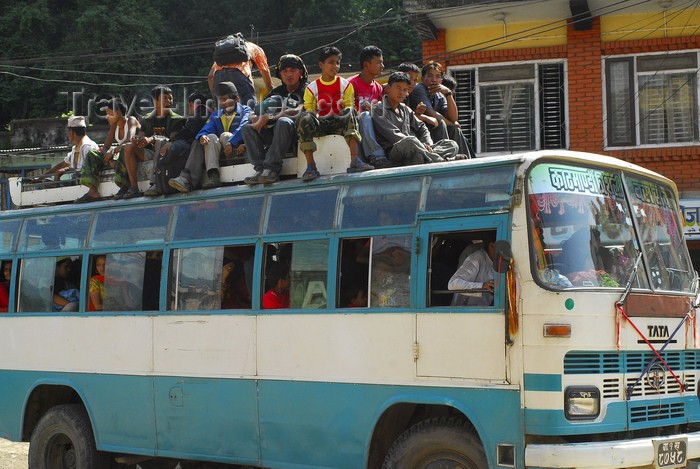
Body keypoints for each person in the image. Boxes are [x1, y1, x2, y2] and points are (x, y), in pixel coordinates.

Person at [296, 46, 373, 182]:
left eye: (337, 62)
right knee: (305, 118)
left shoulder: (345, 85)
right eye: (331, 62)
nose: (335, 66)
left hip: (339, 123)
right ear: (321, 65)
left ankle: (355, 160)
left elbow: (349, 108)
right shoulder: (311, 88)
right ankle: (311, 166)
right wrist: (317, 113)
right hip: (321, 124)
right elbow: (310, 111)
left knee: (350, 111)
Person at [168, 82, 251, 192]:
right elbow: (205, 129)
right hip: (221, 155)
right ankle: (213, 175)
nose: (223, 103)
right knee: (209, 136)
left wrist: (231, 142)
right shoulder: (216, 115)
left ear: (235, 99)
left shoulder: (246, 110)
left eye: (226, 99)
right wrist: (202, 136)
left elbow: (244, 126)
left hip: (239, 154)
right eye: (221, 99)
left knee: (225, 136)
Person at [241, 54, 308, 185]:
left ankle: (271, 169)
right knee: (247, 127)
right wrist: (255, 118)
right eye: (284, 71)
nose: (289, 74)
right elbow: (256, 110)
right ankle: (260, 170)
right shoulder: (277, 91)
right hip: (275, 135)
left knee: (283, 122)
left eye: (293, 70)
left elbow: (299, 110)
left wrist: (269, 117)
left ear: (300, 72)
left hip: (296, 134)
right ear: (280, 74)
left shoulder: (307, 88)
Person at [372, 72, 458, 166]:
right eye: (398, 88)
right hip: (395, 151)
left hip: (417, 148)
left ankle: (429, 157)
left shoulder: (405, 109)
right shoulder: (378, 109)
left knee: (452, 144)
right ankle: (441, 161)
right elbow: (393, 135)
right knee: (410, 141)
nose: (401, 93)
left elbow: (422, 127)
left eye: (405, 89)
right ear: (388, 88)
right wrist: (419, 145)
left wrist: (426, 144)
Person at [115, 85, 183, 199]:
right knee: (128, 147)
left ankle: (155, 183)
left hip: (166, 151)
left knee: (159, 142)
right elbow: (141, 137)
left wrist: (152, 138)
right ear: (154, 101)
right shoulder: (147, 119)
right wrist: (137, 140)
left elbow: (172, 140)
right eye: (164, 98)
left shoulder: (177, 119)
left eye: (170, 98)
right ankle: (132, 187)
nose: (169, 101)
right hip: (150, 152)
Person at [144, 92, 211, 196]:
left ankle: (186, 180)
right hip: (188, 144)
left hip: (197, 145)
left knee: (194, 143)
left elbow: (190, 130)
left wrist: (173, 141)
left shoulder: (202, 110)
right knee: (162, 142)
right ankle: (156, 182)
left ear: (190, 104)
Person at [76, 99, 140, 203]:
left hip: (132, 154)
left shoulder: (131, 120)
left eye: (109, 114)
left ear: (117, 114)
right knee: (93, 153)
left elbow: (129, 140)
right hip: (118, 156)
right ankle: (93, 191)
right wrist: (110, 160)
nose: (106, 117)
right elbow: (105, 147)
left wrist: (113, 152)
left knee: (124, 148)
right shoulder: (114, 126)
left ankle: (124, 186)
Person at [408, 61, 473, 158]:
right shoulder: (419, 88)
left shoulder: (439, 94)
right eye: (430, 76)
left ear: (441, 80)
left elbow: (453, 117)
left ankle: (467, 163)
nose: (434, 80)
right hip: (420, 130)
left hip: (433, 128)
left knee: (455, 130)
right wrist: (451, 123)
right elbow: (431, 114)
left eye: (438, 76)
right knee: (441, 122)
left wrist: (448, 93)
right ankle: (446, 156)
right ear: (423, 78)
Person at [348, 45, 391, 169]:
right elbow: (347, 111)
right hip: (357, 127)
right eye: (379, 63)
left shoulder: (378, 87)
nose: (382, 66)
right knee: (365, 115)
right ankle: (376, 157)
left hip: (374, 127)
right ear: (366, 65)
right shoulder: (351, 84)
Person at [208, 36, 274, 108]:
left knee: (222, 114)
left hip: (218, 77)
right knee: (248, 111)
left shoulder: (225, 52)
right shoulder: (256, 49)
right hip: (239, 75)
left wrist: (215, 97)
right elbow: (265, 73)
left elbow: (210, 76)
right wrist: (273, 96)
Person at [36, 116, 99, 181]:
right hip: (76, 181)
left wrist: (66, 169)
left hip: (85, 183)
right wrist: (41, 178)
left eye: (68, 132)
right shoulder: (75, 148)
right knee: (47, 181)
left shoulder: (88, 147)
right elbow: (63, 164)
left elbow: (92, 169)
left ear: (71, 132)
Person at [448, 234, 496, 306]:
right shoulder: (477, 258)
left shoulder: (500, 264)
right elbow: (453, 284)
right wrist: (482, 286)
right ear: (492, 246)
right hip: (463, 312)